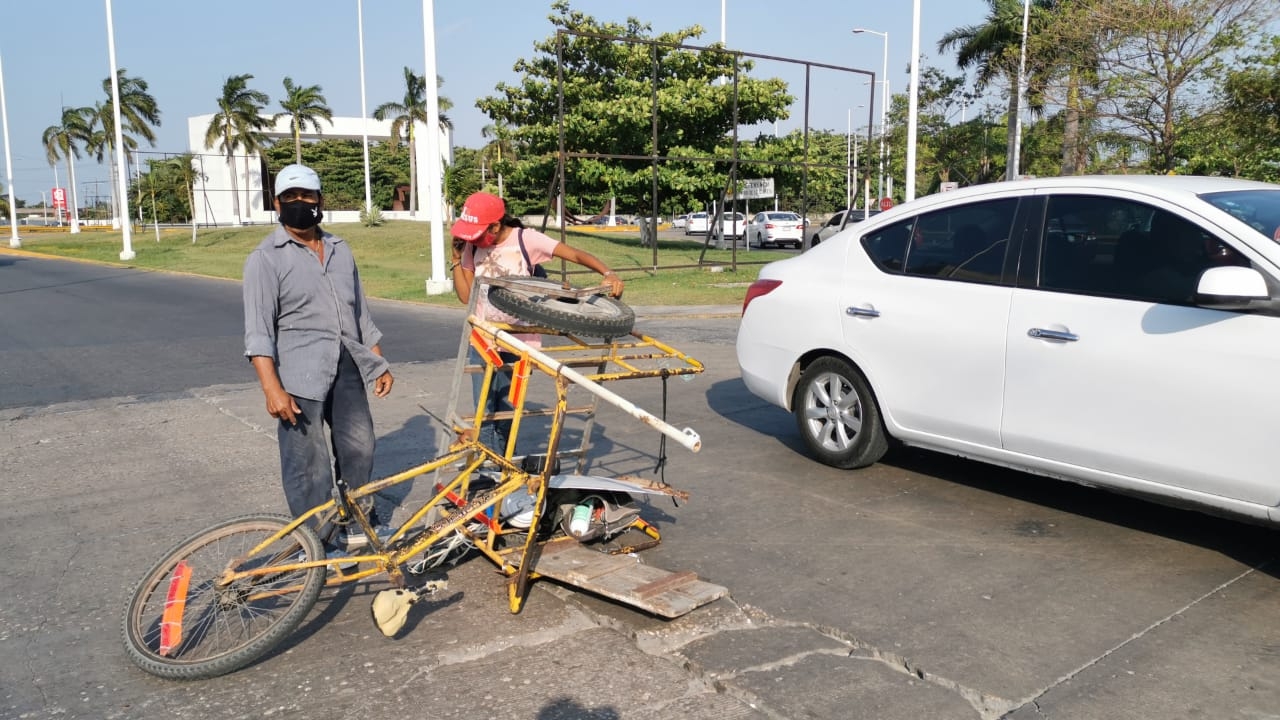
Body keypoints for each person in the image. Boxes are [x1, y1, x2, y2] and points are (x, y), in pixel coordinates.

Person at [242, 163, 394, 555]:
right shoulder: (265, 258)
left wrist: (376, 360)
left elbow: (359, 310)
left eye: (307, 197)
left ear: (319, 200)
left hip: (346, 365)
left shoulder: (341, 250)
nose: (300, 204)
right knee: (308, 464)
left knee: (360, 446)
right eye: (290, 198)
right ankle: (314, 540)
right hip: (298, 374)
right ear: (276, 204)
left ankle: (357, 518)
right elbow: (258, 331)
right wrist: (271, 388)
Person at [448, 191, 624, 452]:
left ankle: (505, 466)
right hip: (482, 343)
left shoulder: (525, 240)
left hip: (519, 345)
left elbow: (574, 254)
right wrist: (457, 260)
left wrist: (608, 274)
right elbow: (466, 297)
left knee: (507, 413)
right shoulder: (473, 246)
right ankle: (491, 471)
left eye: (478, 232)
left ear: (495, 226)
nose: (474, 238)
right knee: (484, 411)